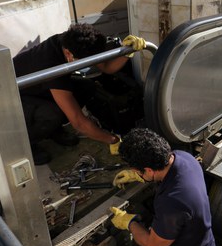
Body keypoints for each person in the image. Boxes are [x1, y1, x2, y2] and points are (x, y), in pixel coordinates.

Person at [12, 23, 146, 165]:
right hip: (15, 99)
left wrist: (127, 52)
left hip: (39, 89)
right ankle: (28, 145)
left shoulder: (77, 41)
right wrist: (112, 139)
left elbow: (107, 67)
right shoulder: (51, 65)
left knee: (86, 87)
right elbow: (78, 122)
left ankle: (53, 130)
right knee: (53, 114)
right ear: (69, 55)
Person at [110, 128, 218, 246]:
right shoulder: (184, 157)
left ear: (148, 169)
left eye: (137, 172)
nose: (137, 174)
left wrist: (129, 222)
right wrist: (139, 176)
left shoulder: (172, 202)